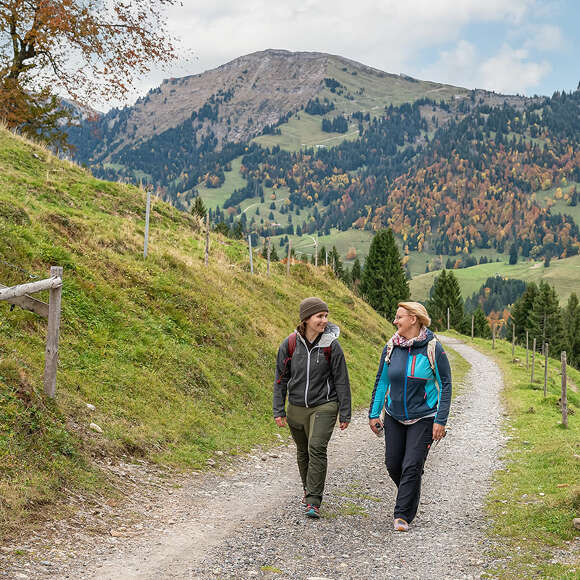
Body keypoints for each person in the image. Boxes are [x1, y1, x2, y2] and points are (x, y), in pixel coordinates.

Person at [368, 301, 452, 532]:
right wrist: (374, 414)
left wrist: (441, 420)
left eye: (399, 317)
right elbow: (382, 380)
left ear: (413, 319)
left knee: (412, 464)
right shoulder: (391, 347)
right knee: (394, 464)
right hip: (394, 415)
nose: (395, 321)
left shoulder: (433, 347)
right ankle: (411, 488)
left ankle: (402, 514)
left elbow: (445, 384)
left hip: (424, 416)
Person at [273, 297, 351, 519]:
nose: (324, 320)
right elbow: (280, 379)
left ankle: (314, 500)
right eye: (320, 316)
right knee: (303, 450)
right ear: (306, 319)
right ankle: (308, 490)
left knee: (316, 446)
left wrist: (345, 411)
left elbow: (341, 380)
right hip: (296, 407)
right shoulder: (289, 345)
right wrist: (279, 409)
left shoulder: (332, 346)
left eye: (326, 316)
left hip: (325, 404)